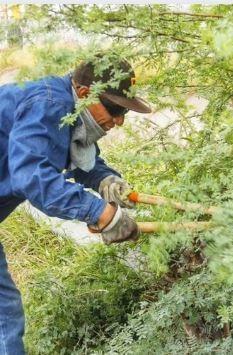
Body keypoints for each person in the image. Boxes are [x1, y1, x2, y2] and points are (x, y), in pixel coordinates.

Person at [0, 55, 151, 353]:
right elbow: (31, 175)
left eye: (125, 112)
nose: (119, 120)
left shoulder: (67, 107)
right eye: (115, 109)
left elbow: (71, 154)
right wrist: (98, 212)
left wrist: (105, 180)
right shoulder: (50, 105)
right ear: (84, 93)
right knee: (5, 316)